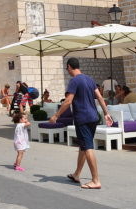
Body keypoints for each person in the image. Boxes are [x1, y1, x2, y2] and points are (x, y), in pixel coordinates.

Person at [50, 57, 112, 190]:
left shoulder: (74, 81)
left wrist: (56, 115)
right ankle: (77, 174)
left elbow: (68, 101)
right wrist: (106, 113)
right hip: (94, 117)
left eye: (67, 69)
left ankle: (95, 180)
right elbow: (100, 97)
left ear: (69, 67)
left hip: (82, 118)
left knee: (87, 147)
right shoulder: (89, 79)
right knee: (83, 146)